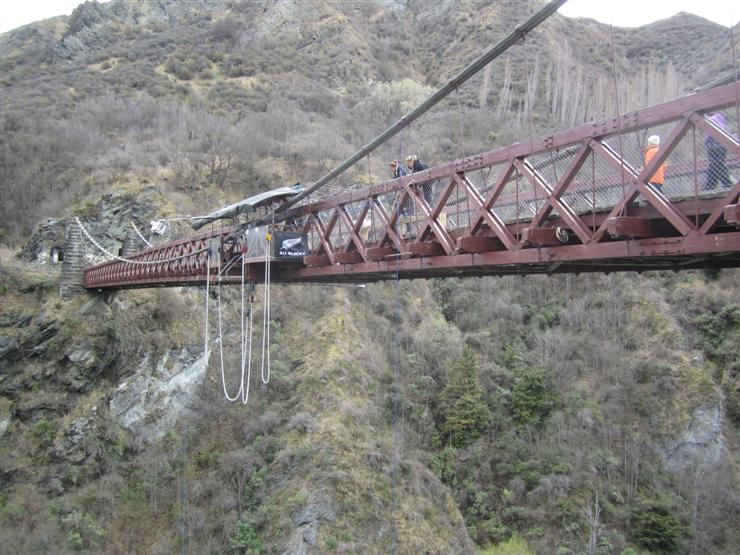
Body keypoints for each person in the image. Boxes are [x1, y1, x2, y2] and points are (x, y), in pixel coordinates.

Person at [704, 112, 732, 190]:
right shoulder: (719, 119)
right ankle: (711, 185)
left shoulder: (715, 118)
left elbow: (710, 123)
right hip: (716, 144)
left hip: (716, 144)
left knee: (716, 164)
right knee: (716, 164)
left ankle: (713, 185)